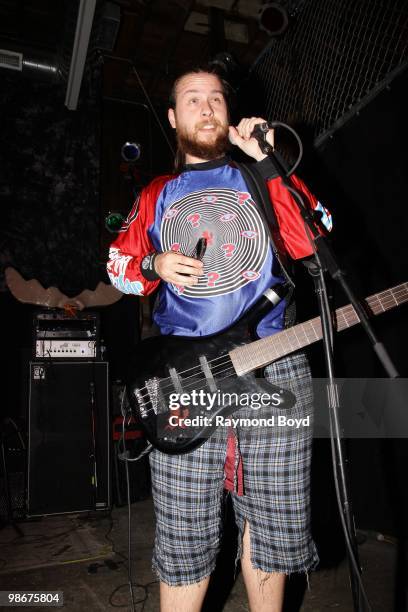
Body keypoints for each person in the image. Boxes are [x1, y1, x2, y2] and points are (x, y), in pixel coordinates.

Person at [107, 67, 330, 612]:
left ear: (228, 113)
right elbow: (118, 268)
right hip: (185, 373)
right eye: (191, 100)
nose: (206, 109)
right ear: (172, 117)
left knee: (274, 521)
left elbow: (313, 238)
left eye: (215, 100)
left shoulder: (260, 175)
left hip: (274, 363)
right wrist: (154, 261)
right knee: (185, 526)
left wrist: (269, 162)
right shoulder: (157, 192)